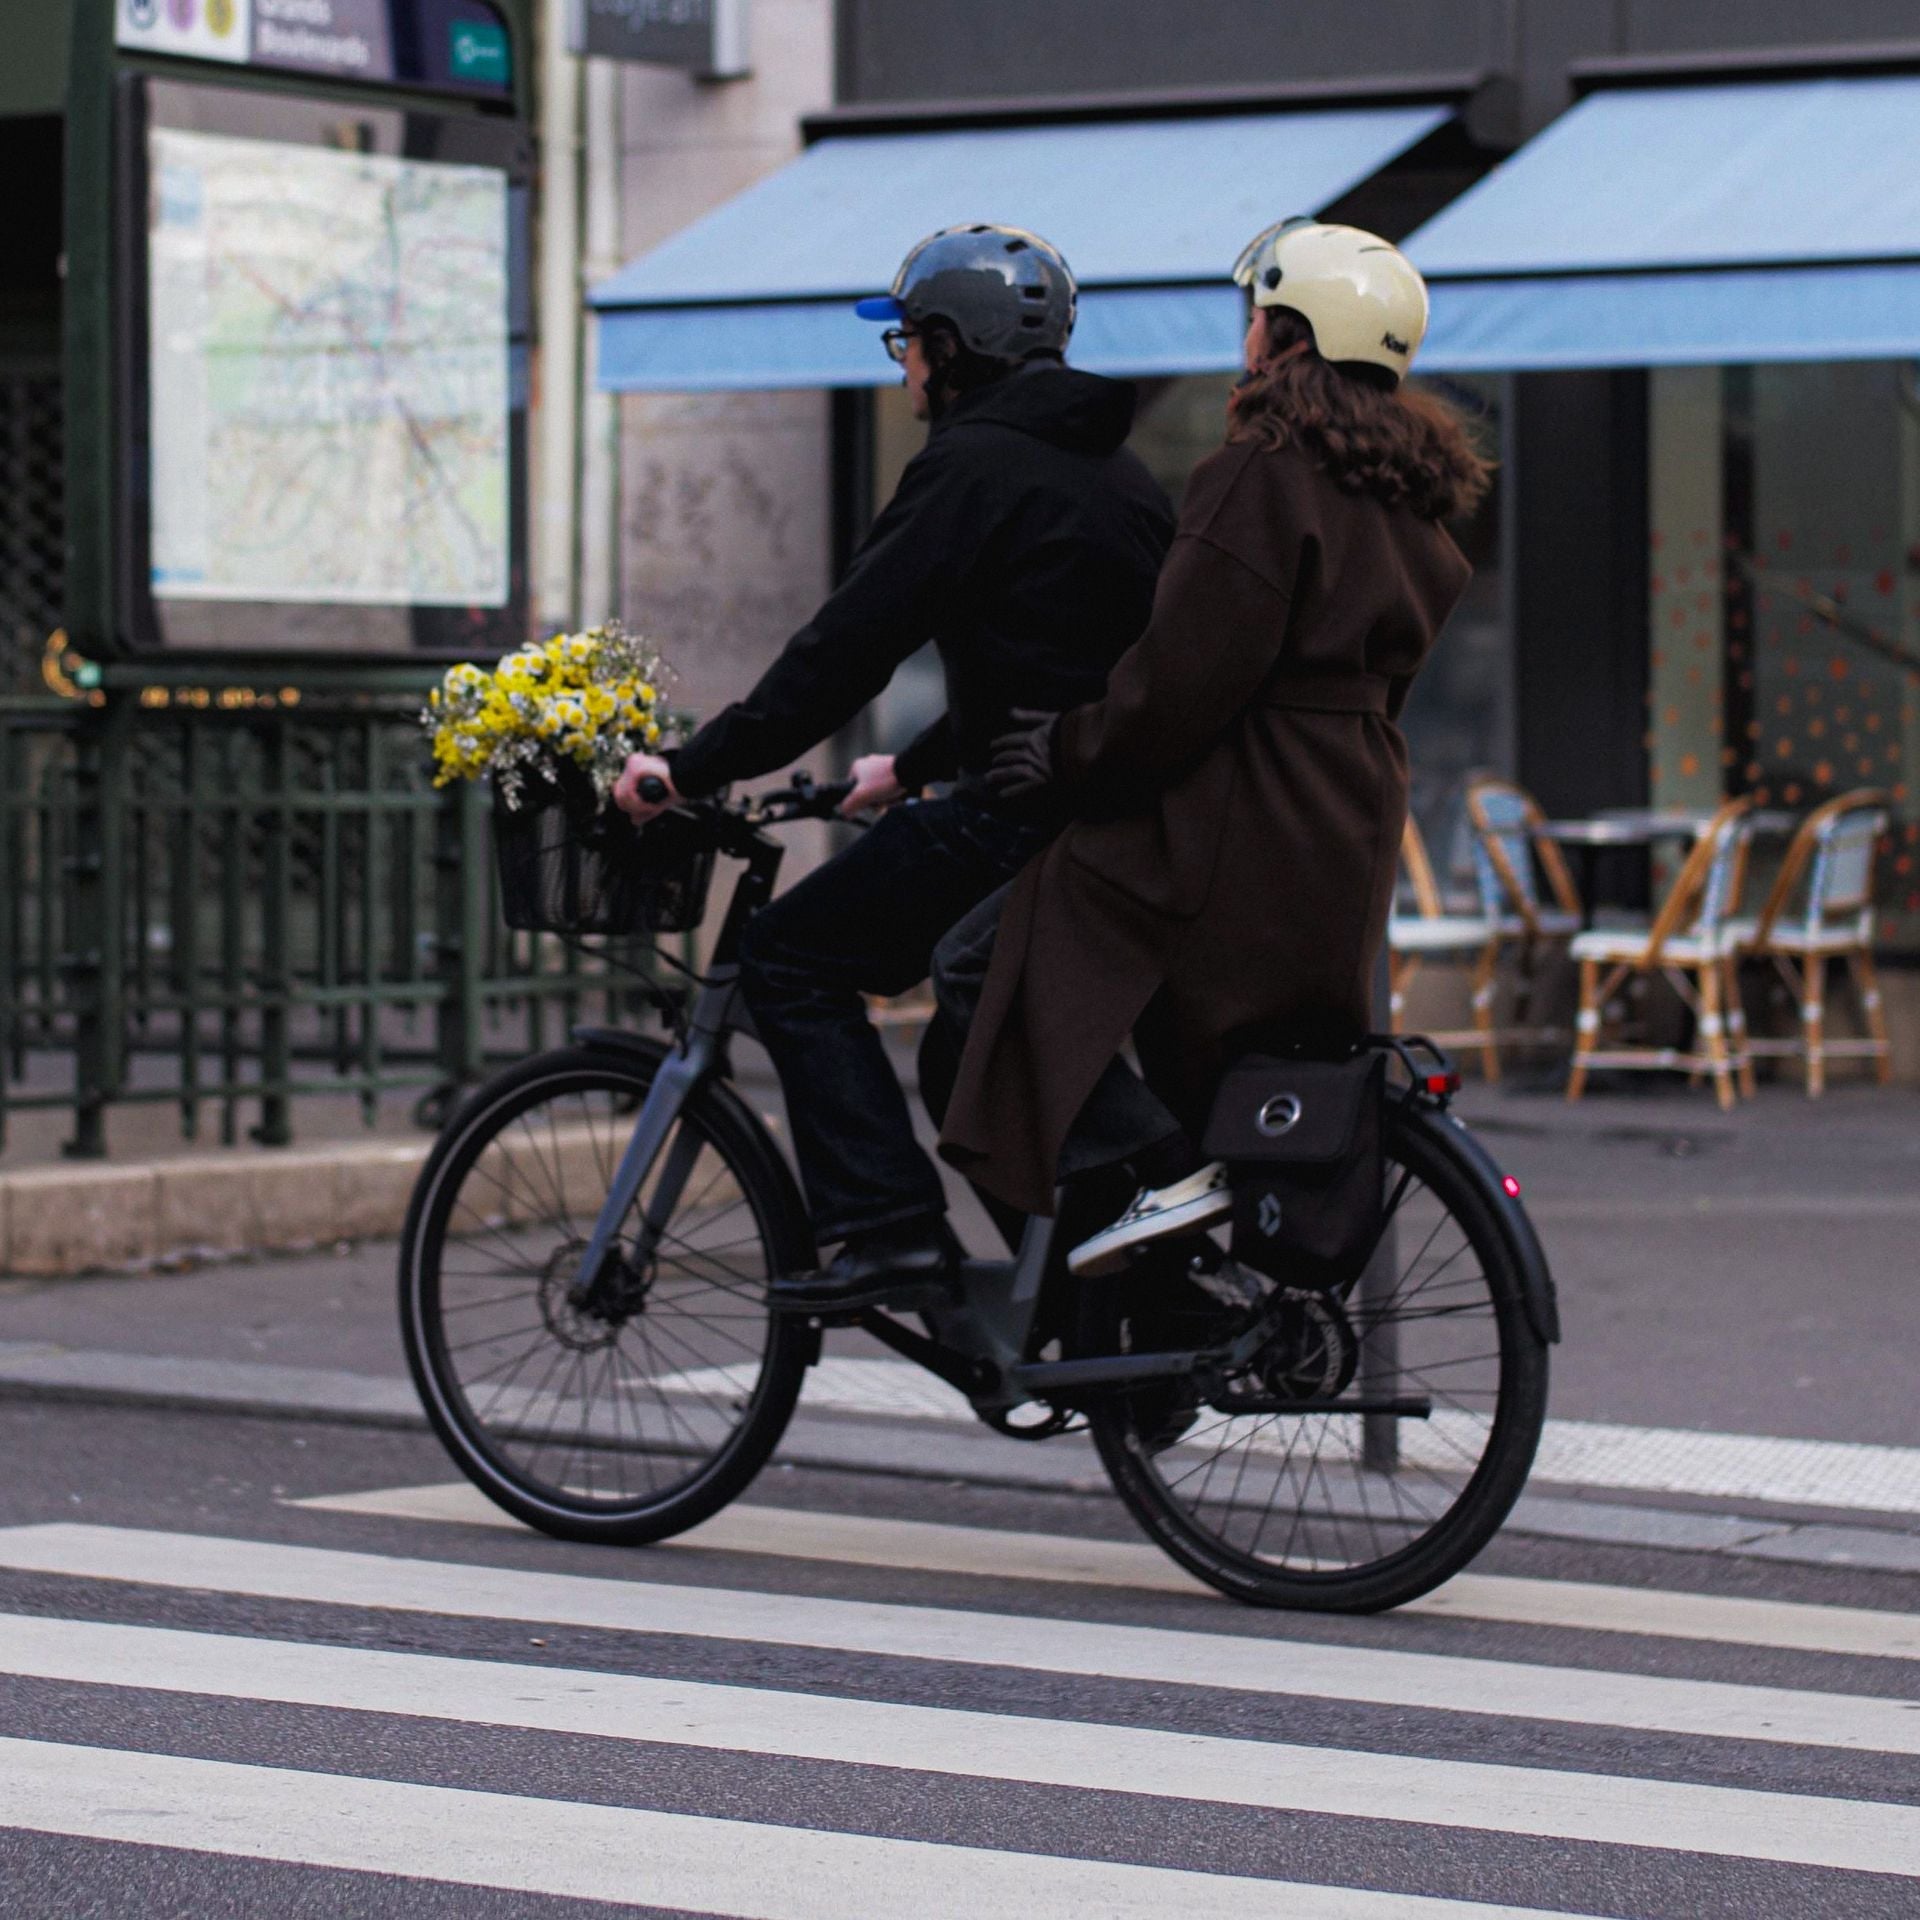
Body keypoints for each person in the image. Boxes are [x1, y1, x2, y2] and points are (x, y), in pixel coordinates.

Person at [613, 224, 1175, 1308]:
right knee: (952, 1071)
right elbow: (1061, 660)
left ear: (954, 346)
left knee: (788, 960)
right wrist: (912, 767)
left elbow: (843, 650)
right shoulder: (1117, 471)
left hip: (1020, 812)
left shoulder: (968, 465)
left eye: (911, 344)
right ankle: (1103, 1298)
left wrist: (688, 770)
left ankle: (886, 1234)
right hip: (1104, 816)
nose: (906, 368)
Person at [928, 217, 1494, 1279]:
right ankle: (1168, 1248)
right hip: (1344, 828)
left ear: (1285, 332)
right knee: (1210, 1049)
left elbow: (1180, 681)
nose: (1247, 333)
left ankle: (1153, 1174)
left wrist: (1068, 750)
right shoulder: (1413, 512)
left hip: (1230, 821)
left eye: (1258, 314)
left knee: (977, 965)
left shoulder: (1259, 477)